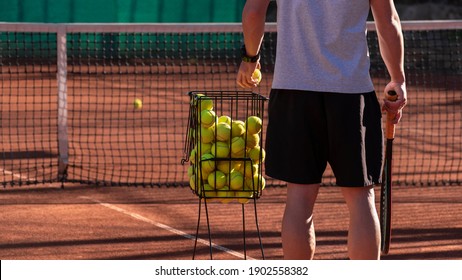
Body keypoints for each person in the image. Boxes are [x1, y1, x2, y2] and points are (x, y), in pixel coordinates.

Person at [237, 0, 407, 260]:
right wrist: (398, 79)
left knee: (299, 199)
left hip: (293, 92)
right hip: (351, 94)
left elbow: (253, 11)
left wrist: (251, 58)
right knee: (362, 198)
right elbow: (389, 21)